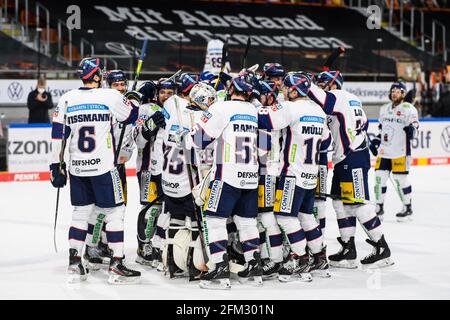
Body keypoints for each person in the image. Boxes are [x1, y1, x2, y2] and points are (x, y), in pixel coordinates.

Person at [49, 57, 141, 284]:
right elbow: (131, 116)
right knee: (115, 213)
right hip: (103, 168)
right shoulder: (109, 96)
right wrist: (135, 101)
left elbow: (57, 136)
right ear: (98, 76)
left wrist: (56, 165)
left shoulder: (67, 99)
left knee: (80, 214)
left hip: (78, 168)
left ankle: (74, 263)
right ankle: (117, 263)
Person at [307, 70, 394, 269]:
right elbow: (363, 122)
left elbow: (321, 99)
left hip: (351, 156)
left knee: (357, 204)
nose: (320, 86)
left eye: (323, 83)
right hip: (346, 157)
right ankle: (348, 249)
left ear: (332, 84)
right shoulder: (353, 99)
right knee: (339, 203)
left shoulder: (337, 96)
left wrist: (306, 81)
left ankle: (382, 247)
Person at [184, 76, 262, 290]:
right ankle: (254, 266)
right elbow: (264, 149)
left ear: (231, 89)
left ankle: (219, 269)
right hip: (251, 176)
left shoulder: (221, 108)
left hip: (226, 176)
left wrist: (186, 136)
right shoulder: (255, 111)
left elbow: (199, 141)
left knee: (214, 220)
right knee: (247, 222)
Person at [258, 73, 330, 281]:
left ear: (294, 90)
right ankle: (319, 256)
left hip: (291, 174)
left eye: (286, 88)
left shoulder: (290, 108)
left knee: (285, 217)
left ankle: (299, 257)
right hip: (311, 173)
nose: (283, 91)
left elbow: (264, 119)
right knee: (306, 216)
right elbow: (326, 143)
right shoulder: (318, 110)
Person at [369, 81, 419, 222]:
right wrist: (376, 141)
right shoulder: (384, 109)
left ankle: (407, 207)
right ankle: (379, 208)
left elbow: (415, 124)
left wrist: (412, 130)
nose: (394, 93)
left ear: (403, 94)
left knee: (400, 180)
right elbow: (382, 129)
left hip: (400, 151)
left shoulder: (408, 108)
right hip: (384, 152)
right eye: (393, 90)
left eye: (398, 91)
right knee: (379, 179)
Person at [133, 80, 169, 268]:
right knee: (151, 208)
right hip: (147, 167)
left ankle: (159, 245)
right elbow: (138, 141)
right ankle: (144, 246)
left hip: (169, 170)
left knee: (166, 210)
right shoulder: (146, 109)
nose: (166, 95)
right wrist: (150, 126)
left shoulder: (178, 110)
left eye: (170, 91)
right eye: (163, 91)